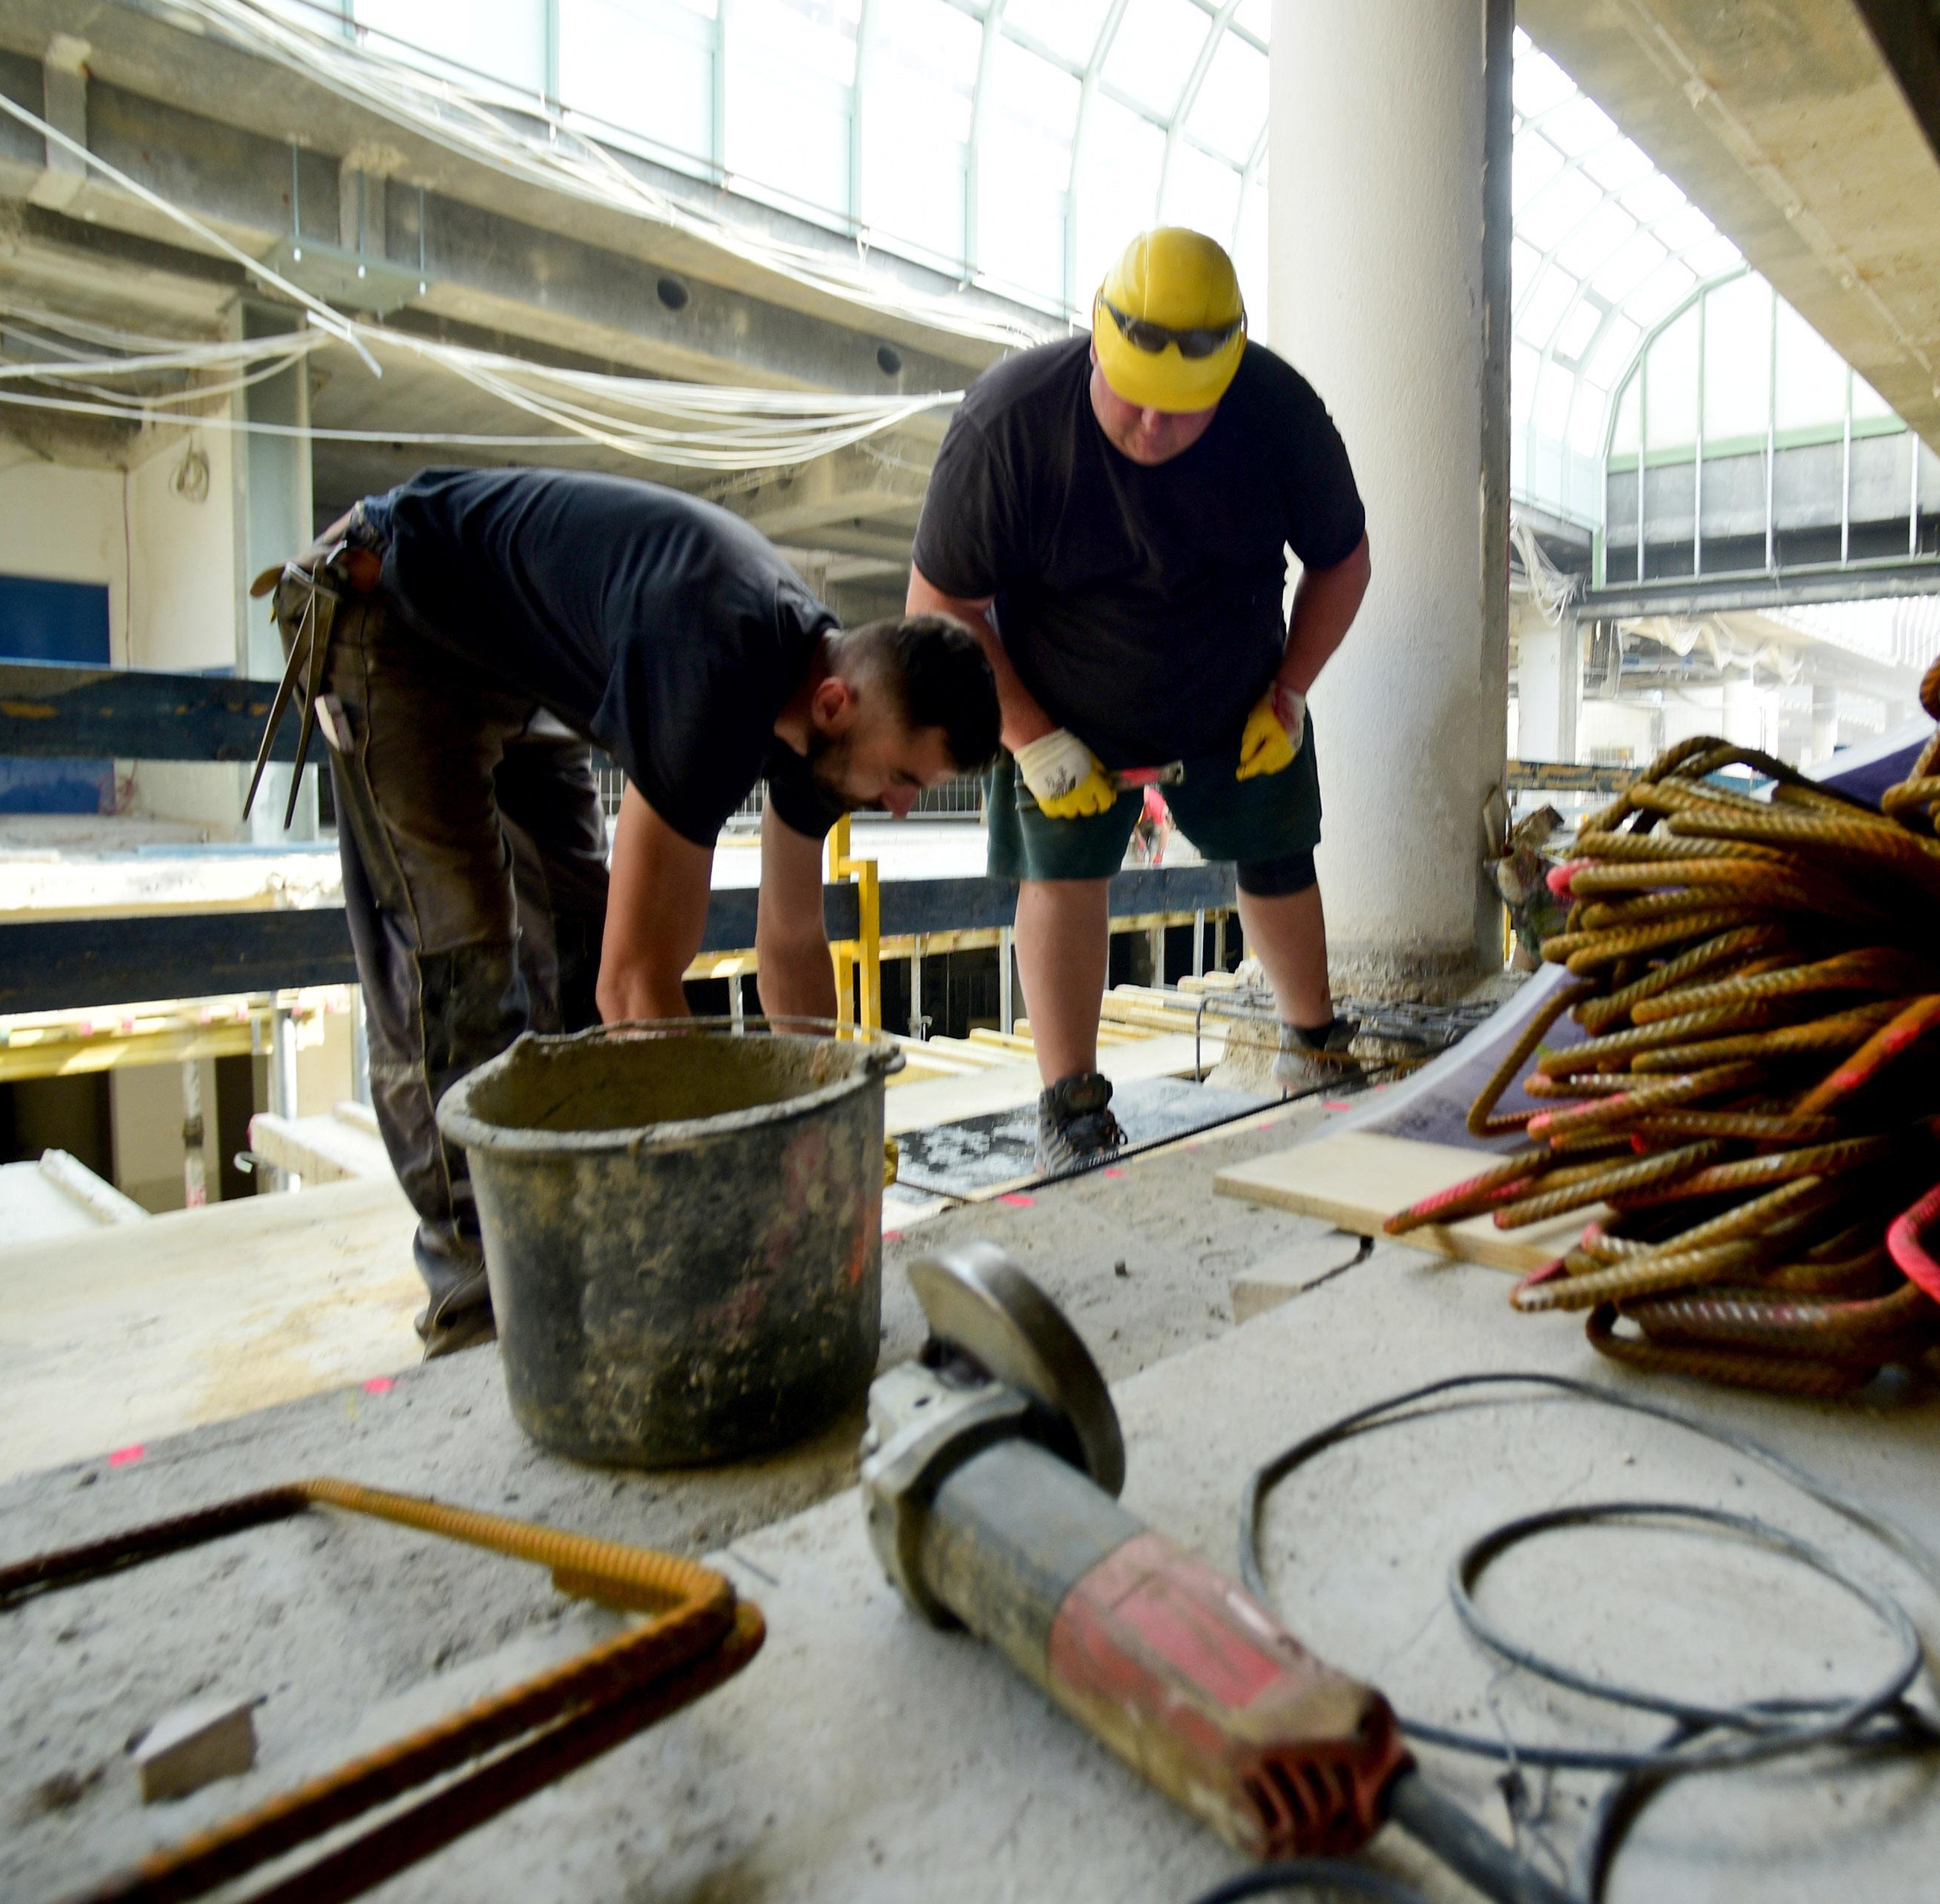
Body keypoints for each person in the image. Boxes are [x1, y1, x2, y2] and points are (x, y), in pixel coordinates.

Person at [265, 466, 1001, 1354]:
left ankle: (584, 1228)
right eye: (905, 779)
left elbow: (793, 940)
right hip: (391, 614)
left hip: (518, 671)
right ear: (836, 704)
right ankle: (477, 1288)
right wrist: (716, 1213)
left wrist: (820, 1137)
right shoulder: (718, 661)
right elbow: (637, 983)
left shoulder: (822, 728)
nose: (898, 807)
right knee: (457, 957)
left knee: (577, 934)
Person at [907, 227, 1372, 1172]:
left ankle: (1315, 1044)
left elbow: (1343, 563)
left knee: (1279, 854)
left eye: (1182, 412)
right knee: (1065, 874)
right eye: (1132, 400)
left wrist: (1287, 697)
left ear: (1229, 371)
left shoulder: (1279, 413)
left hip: (1234, 687)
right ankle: (1070, 1105)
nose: (1152, 429)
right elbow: (938, 606)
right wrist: (1029, 737)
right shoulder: (1009, 420)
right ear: (1096, 343)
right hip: (1057, 695)